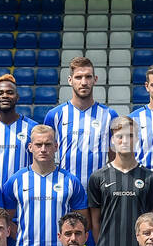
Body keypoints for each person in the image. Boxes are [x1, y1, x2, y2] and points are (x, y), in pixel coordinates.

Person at [2, 124, 87, 246]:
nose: (43, 149)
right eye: (38, 145)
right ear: (30, 147)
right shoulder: (16, 180)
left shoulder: (70, 181)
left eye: (48, 144)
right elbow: (5, 220)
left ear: (56, 146)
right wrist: (23, 237)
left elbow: (83, 221)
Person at [88, 116, 153, 246]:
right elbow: (95, 222)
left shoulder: (150, 178)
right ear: (112, 141)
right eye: (119, 136)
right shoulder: (98, 177)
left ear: (137, 139)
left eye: (130, 135)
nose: (125, 141)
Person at [45, 55, 117, 191]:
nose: (83, 82)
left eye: (88, 77)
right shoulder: (54, 115)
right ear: (70, 80)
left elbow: (114, 155)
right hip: (64, 188)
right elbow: (45, 153)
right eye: (78, 77)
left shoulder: (109, 115)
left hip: (99, 189)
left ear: (95, 80)